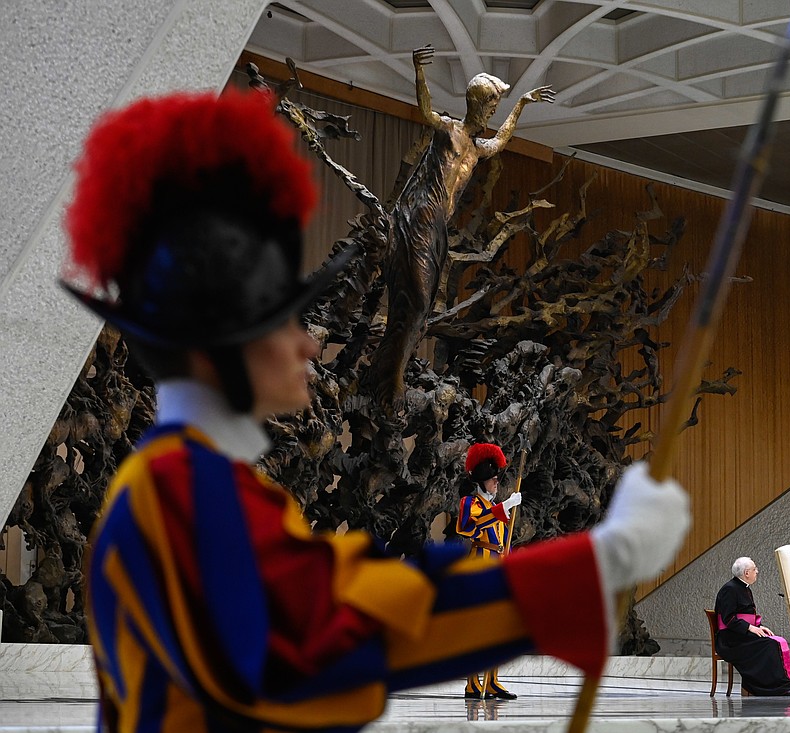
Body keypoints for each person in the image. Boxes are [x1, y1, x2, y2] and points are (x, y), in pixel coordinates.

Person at [60, 88, 691, 732]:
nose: (310, 341)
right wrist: (599, 560)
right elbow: (341, 630)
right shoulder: (186, 492)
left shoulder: (189, 481)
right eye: (283, 323)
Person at [370, 44, 555, 407]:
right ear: (477, 104)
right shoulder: (450, 131)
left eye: (496, 107)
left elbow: (501, 141)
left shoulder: (476, 148)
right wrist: (420, 72)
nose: (493, 111)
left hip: (438, 227)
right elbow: (425, 110)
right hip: (420, 217)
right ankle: (389, 376)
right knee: (419, 298)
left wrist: (522, 105)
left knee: (420, 309)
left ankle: (388, 373)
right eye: (492, 105)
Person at [455, 442, 523, 699]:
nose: (496, 483)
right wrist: (502, 508)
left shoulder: (497, 509)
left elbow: (503, 541)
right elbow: (468, 527)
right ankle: (473, 683)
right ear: (482, 481)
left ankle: (492, 681)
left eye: (496, 479)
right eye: (493, 480)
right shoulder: (470, 502)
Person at [714, 557, 790, 696]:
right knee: (769, 645)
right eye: (754, 569)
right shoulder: (730, 589)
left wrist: (759, 626)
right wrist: (750, 628)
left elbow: (747, 614)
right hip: (730, 640)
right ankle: (777, 686)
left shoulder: (744, 588)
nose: (757, 571)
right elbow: (728, 618)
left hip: (740, 635)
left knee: (776, 641)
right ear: (746, 573)